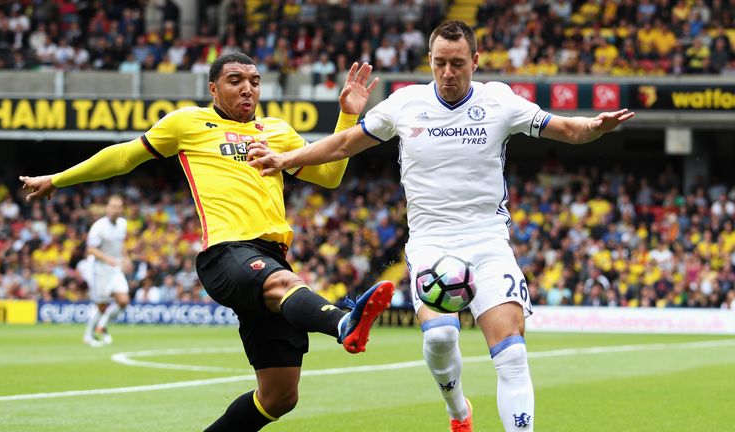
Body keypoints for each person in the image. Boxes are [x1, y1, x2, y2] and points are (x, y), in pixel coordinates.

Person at [248, 20, 635, 432]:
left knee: (511, 354)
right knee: (438, 339)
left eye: (457, 63)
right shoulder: (404, 103)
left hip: (488, 241)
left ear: (475, 61)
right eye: (439, 64)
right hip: (431, 242)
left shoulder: (499, 102)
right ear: (429, 62)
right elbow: (344, 144)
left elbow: (567, 129)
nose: (448, 73)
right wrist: (287, 160)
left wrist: (594, 127)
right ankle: (458, 411)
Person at [20, 52, 393, 432]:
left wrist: (347, 115)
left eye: (254, 80)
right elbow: (124, 157)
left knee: (280, 396)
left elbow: (329, 176)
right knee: (284, 284)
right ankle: (344, 322)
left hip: (271, 256)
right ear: (213, 88)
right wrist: (58, 178)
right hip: (226, 253)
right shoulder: (188, 123)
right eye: (235, 80)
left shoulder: (277, 132)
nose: (247, 87)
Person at [81, 194, 131, 347]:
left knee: (123, 301)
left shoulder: (123, 223)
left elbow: (121, 243)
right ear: (107, 208)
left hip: (115, 269)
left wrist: (126, 257)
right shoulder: (99, 227)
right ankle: (88, 336)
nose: (116, 210)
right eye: (113, 207)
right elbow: (90, 249)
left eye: (119, 207)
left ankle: (102, 326)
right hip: (100, 270)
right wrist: (107, 259)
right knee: (101, 306)